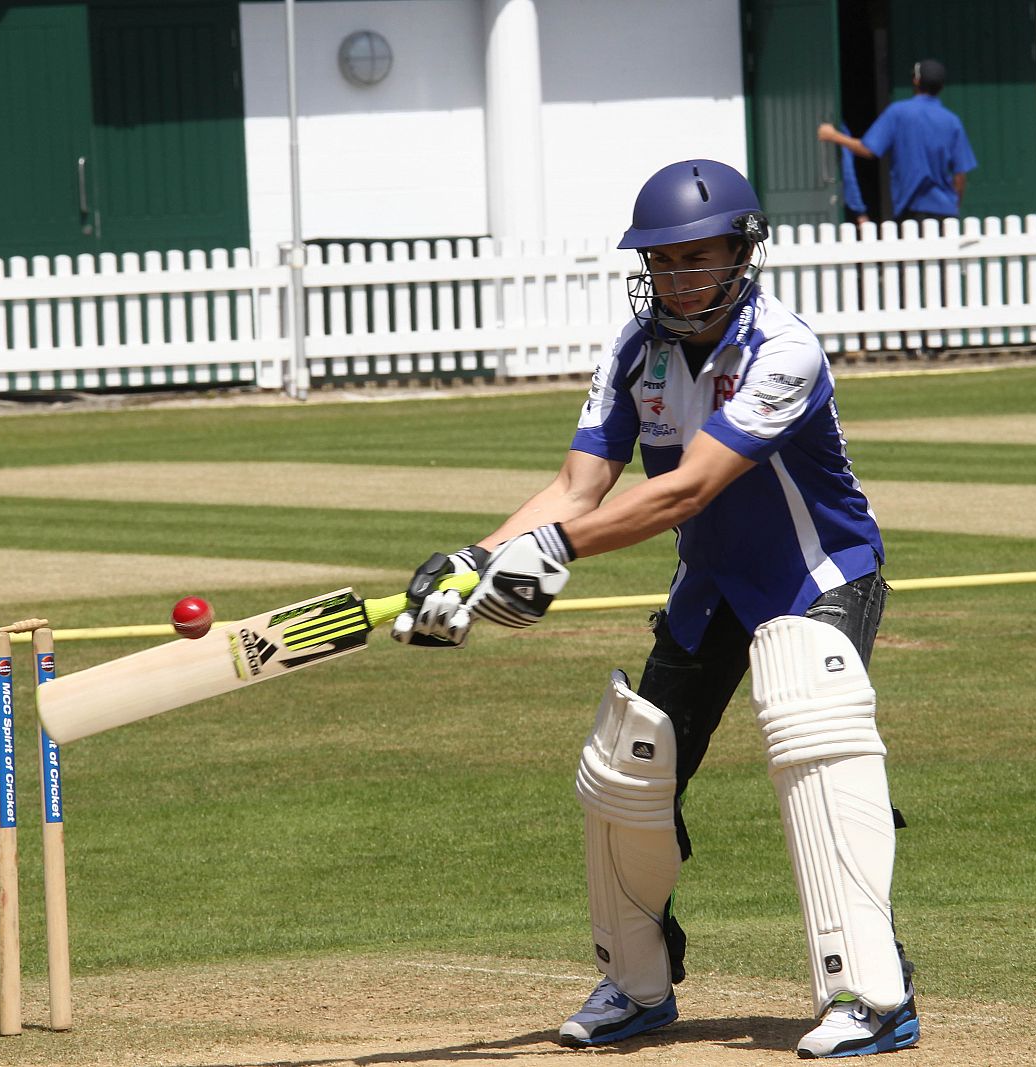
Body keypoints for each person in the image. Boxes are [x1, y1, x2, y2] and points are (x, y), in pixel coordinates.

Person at [391, 159, 920, 1059]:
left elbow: (686, 489)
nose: (678, 277)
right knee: (628, 770)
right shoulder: (636, 351)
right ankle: (638, 986)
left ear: (741, 254)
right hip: (710, 582)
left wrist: (554, 552)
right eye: (662, 260)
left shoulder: (781, 349)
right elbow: (576, 484)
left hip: (819, 576)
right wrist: (474, 566)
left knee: (814, 740)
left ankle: (872, 993)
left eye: (696, 257)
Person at [818, 59, 976, 224]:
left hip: (911, 209)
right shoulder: (951, 121)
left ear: (916, 81)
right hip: (946, 211)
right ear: (941, 86)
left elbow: (867, 149)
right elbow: (960, 175)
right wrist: (954, 205)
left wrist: (833, 135)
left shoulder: (898, 112)